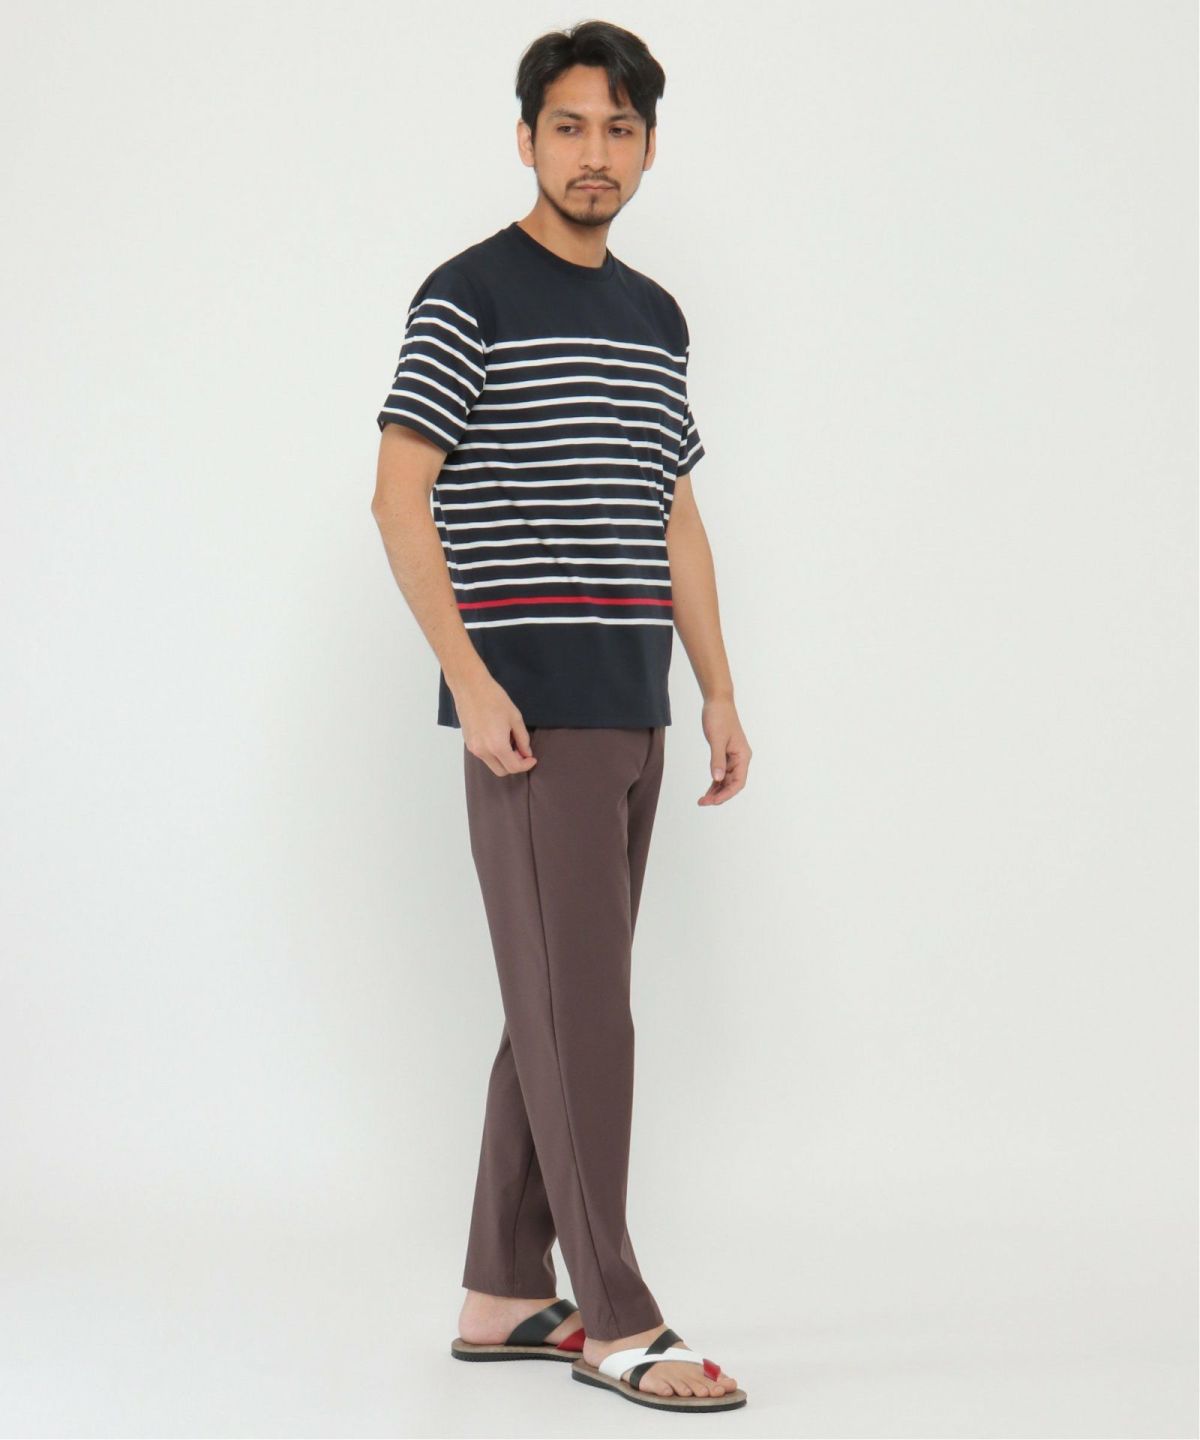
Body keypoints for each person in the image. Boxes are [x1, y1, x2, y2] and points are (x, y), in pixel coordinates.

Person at [370, 19, 752, 1415]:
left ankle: (501, 1291)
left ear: (648, 147)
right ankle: (618, 1318)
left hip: (634, 705)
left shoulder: (656, 316)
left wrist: (716, 689)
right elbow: (397, 496)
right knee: (584, 1018)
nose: (597, 154)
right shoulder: (467, 294)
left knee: (556, 1008)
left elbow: (674, 512)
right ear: (527, 137)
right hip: (531, 719)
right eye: (572, 127)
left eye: (621, 131)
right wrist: (473, 683)